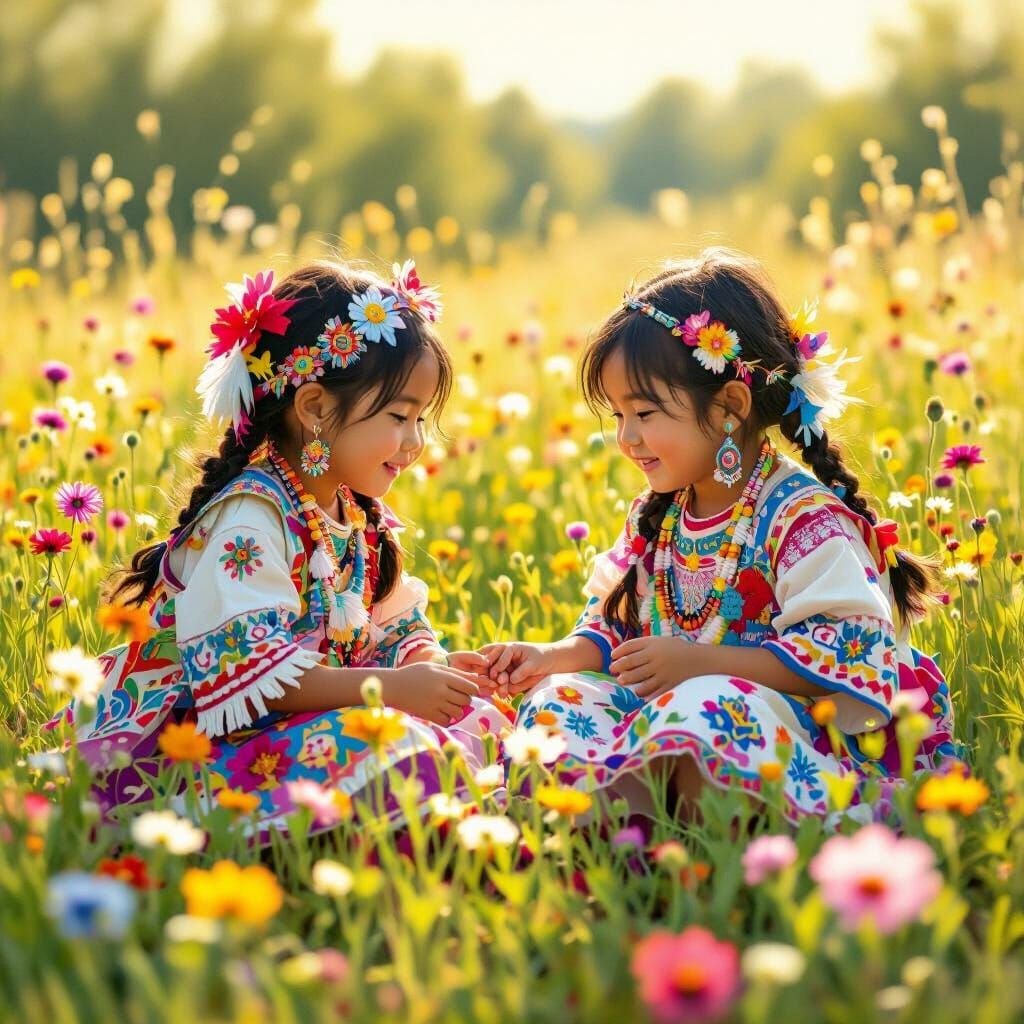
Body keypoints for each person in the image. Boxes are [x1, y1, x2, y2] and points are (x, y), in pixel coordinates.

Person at [483, 248, 961, 823]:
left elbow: (850, 654)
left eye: (645, 412)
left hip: (790, 731)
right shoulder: (658, 513)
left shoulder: (802, 518)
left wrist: (699, 663)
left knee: (707, 708)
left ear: (731, 406)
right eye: (618, 417)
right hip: (667, 709)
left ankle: (690, 845)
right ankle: (619, 843)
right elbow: (616, 626)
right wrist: (550, 657)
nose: (627, 438)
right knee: (558, 702)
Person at [46, 259, 503, 837]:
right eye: (398, 416)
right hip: (195, 754)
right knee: (399, 742)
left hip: (294, 726)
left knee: (478, 720)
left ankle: (439, 829)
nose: (415, 442)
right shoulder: (251, 516)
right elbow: (250, 677)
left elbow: (389, 623)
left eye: (421, 420)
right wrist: (390, 691)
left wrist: (426, 668)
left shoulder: (353, 511)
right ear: (313, 406)